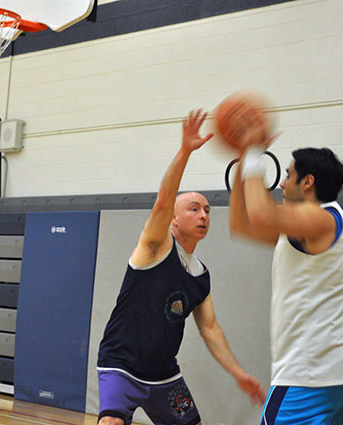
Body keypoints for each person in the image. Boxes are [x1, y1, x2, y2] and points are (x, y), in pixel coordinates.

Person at [96, 110, 265, 425]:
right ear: (174, 218)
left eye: (207, 210)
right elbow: (163, 200)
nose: (203, 215)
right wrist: (185, 151)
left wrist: (238, 373)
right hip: (121, 365)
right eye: (194, 209)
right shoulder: (155, 247)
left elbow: (210, 329)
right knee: (112, 423)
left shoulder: (200, 276)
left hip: (164, 376)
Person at [227, 110, 343, 425]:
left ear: (308, 182)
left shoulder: (319, 218)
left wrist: (254, 155)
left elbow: (262, 214)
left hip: (311, 375)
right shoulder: (310, 227)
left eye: (288, 175)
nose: (282, 183)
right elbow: (241, 225)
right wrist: (243, 163)